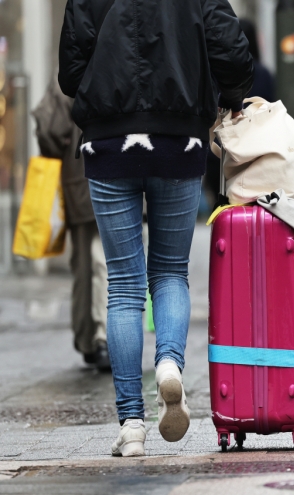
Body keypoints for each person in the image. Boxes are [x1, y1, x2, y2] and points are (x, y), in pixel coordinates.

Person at [59, 0, 253, 456]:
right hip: (178, 138)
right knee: (169, 272)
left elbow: (70, 73)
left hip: (108, 141)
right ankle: (169, 364)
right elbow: (232, 53)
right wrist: (228, 97)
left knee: (124, 286)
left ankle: (131, 424)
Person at [32, 76, 110, 371]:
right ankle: (104, 336)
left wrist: (62, 146)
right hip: (118, 171)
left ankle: (88, 340)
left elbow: (49, 129)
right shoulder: (122, 54)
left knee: (82, 264)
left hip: (78, 180)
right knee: (104, 259)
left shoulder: (68, 73)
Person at [205, 18, 274, 206]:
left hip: (221, 151)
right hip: (255, 151)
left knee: (222, 205)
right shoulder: (263, 74)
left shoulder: (213, 72)